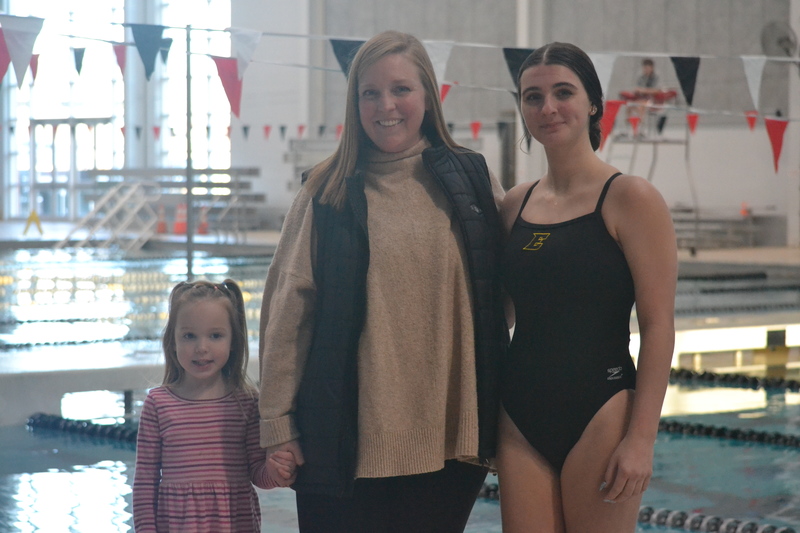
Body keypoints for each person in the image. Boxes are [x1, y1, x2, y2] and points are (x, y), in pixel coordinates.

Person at [257, 30, 508, 533]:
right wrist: (277, 425)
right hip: (346, 444)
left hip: (450, 443)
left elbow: (506, 294)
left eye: (400, 89)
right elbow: (288, 312)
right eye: (369, 92)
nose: (385, 105)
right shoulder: (325, 190)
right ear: (354, 104)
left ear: (427, 97)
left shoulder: (471, 180)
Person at [496, 43, 677, 533]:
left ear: (593, 103)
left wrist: (642, 440)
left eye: (562, 92)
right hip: (519, 418)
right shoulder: (513, 206)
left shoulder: (630, 199)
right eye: (533, 97)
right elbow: (501, 316)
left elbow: (658, 326)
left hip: (601, 409)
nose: (548, 107)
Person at [132, 279, 295, 533]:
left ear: (233, 340)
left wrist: (275, 471)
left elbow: (257, 473)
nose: (202, 348)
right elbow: (145, 483)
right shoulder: (158, 405)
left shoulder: (247, 402)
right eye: (189, 336)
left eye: (215, 335)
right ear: (172, 340)